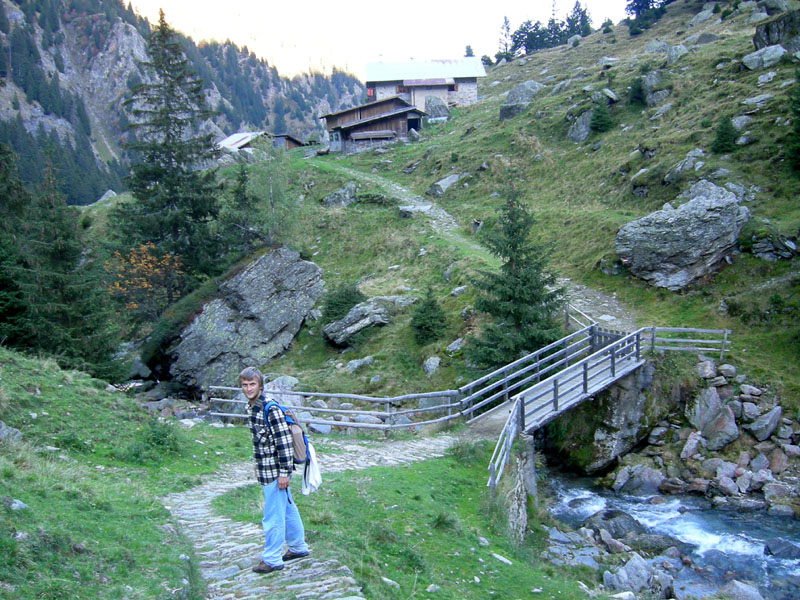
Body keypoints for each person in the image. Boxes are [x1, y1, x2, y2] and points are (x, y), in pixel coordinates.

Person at [239, 366, 310, 573]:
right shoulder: (252, 408)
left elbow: (284, 444)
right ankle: (298, 547)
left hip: (275, 472)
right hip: (266, 469)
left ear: (260, 386)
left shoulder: (271, 410)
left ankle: (272, 559)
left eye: (252, 384)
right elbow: (262, 442)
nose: (248, 388)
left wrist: (284, 473)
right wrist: (257, 464)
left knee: (273, 515)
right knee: (287, 508)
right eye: (245, 385)